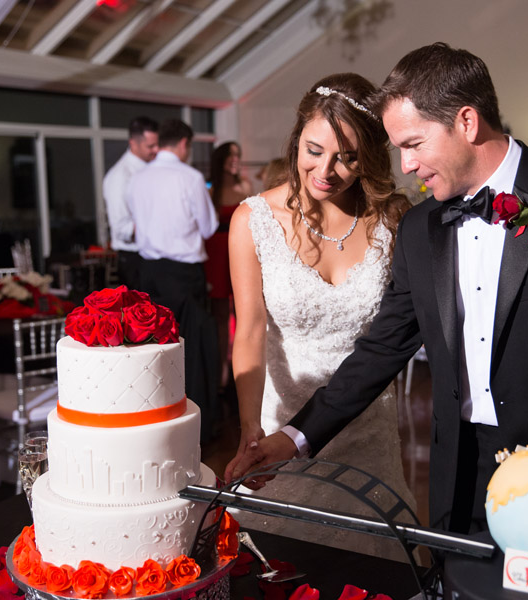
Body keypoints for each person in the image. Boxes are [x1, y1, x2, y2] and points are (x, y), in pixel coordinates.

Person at [228, 43, 528, 552]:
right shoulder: (421, 229)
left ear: (466, 121)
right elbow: (380, 351)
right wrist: (295, 437)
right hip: (458, 482)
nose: (406, 164)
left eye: (414, 144)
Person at [224, 73, 413, 557]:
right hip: (279, 422)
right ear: (296, 140)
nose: (326, 170)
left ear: (369, 157)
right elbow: (249, 330)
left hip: (367, 426)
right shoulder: (253, 221)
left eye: (348, 158)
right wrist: (250, 428)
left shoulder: (393, 220)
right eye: (314, 150)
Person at [127, 119, 220, 440]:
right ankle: (196, 429)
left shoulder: (137, 179)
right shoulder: (190, 177)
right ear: (183, 144)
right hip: (183, 275)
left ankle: (155, 421)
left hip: (148, 274)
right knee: (191, 351)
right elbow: (208, 227)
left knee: (154, 350)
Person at [205, 141, 253, 391]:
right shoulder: (210, 190)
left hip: (241, 249)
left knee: (244, 311)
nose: (235, 159)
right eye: (230, 155)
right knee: (221, 314)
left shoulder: (246, 187)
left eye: (238, 155)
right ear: (220, 159)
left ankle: (243, 367)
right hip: (216, 253)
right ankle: (222, 368)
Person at [103, 117, 159, 289]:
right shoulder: (120, 176)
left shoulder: (155, 169)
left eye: (157, 144)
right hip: (135, 260)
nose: (156, 150)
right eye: (150, 146)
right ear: (133, 143)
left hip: (155, 257)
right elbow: (121, 229)